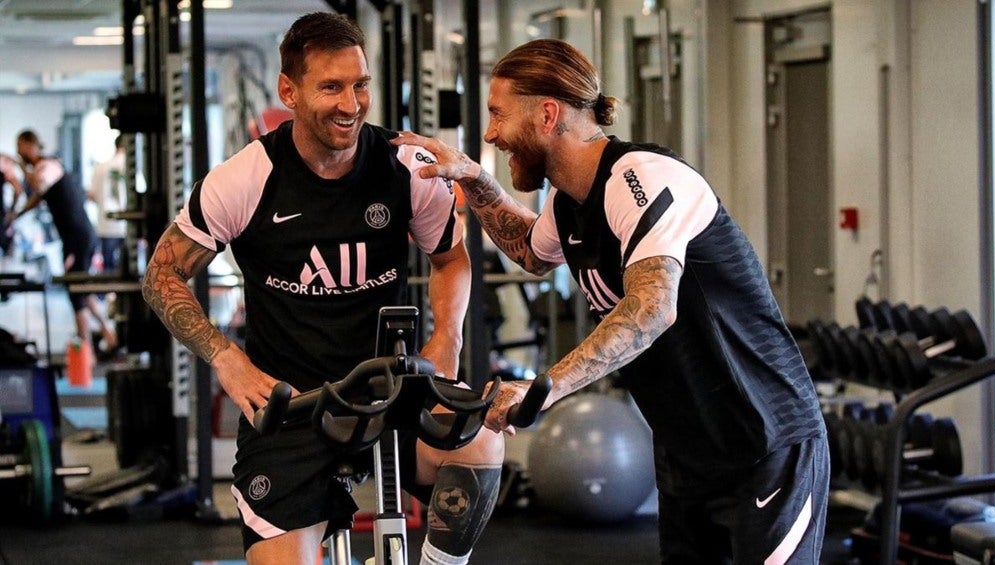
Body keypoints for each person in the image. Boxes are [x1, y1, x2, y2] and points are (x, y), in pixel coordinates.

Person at [393, 38, 830, 564]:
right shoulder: (570, 200)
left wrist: (544, 386)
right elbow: (532, 252)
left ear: (548, 114)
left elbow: (652, 307)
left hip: (765, 444)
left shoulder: (640, 178)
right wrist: (474, 177)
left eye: (498, 115)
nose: (491, 134)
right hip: (687, 454)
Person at [141, 12, 503, 565]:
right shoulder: (244, 179)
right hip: (292, 404)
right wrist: (224, 357)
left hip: (389, 389)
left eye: (360, 85)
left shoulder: (407, 166)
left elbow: (451, 257)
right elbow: (161, 275)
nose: (351, 103)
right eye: (330, 87)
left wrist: (446, 341)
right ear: (289, 90)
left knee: (480, 443)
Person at [4, 130, 117, 355]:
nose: (19, 152)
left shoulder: (48, 166)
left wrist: (18, 165)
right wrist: (17, 215)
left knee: (75, 290)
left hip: (79, 237)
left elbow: (37, 186)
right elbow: (37, 199)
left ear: (30, 144)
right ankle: (107, 334)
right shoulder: (44, 169)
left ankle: (87, 352)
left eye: (20, 146)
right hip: (74, 237)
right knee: (80, 288)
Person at [88, 134, 140, 275]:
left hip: (107, 224)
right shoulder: (132, 168)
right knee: (131, 267)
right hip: (129, 225)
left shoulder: (100, 168)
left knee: (109, 268)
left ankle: (109, 295)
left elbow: (91, 195)